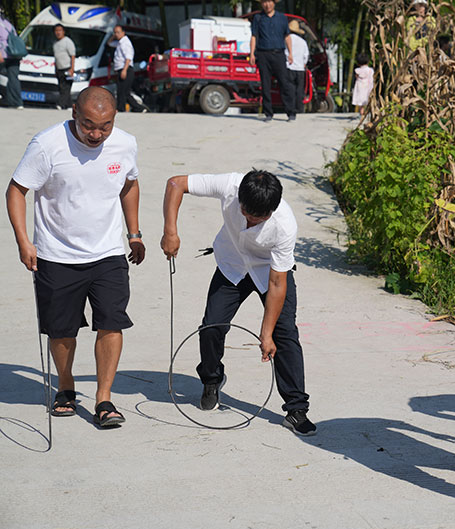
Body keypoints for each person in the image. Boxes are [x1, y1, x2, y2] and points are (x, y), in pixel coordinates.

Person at [5, 87, 145, 428]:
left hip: (108, 251)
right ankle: (66, 387)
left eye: (105, 126)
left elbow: (129, 184)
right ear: (74, 114)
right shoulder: (47, 145)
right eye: (88, 125)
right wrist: (24, 242)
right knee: (62, 330)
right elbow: (16, 190)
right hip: (56, 254)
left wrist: (135, 232)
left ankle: (104, 399)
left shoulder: (125, 143)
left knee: (112, 321)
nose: (96, 134)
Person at [160, 170, 316, 436]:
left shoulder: (284, 225)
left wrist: (265, 334)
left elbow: (278, 284)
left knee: (284, 334)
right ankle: (212, 379)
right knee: (211, 327)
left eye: (260, 218)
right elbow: (176, 183)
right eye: (246, 213)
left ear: (273, 209)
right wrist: (170, 231)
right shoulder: (230, 185)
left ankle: (296, 410)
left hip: (270, 271)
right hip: (232, 265)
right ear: (239, 199)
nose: (251, 220)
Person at [248, 0, 295, 122]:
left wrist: (290, 53)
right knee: (265, 84)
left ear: (274, 3)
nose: (267, 5)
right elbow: (254, 36)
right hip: (263, 54)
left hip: (279, 53)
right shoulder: (258, 18)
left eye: (269, 2)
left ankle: (290, 112)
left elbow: (287, 36)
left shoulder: (282, 18)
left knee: (284, 83)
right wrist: (252, 53)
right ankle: (268, 113)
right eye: (264, 2)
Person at [107, 25, 144, 112]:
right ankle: (135, 108)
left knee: (123, 91)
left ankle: (125, 108)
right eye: (115, 32)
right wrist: (113, 36)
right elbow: (109, 43)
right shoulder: (119, 42)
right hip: (121, 69)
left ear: (123, 32)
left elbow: (128, 58)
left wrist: (124, 70)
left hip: (126, 69)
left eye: (118, 32)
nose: (116, 34)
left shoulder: (125, 43)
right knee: (122, 91)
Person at [285, 19, 308, 116]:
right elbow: (306, 55)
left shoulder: (286, 40)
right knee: (299, 89)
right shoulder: (303, 42)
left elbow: (284, 53)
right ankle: (299, 108)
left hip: (289, 67)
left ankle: (290, 108)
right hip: (300, 69)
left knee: (290, 89)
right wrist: (303, 64)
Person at [0, 8, 23, 109]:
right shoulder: (8, 23)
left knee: (10, 79)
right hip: (14, 54)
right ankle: (16, 102)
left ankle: (9, 100)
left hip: (4, 54)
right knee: (13, 79)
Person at [53, 24, 76, 109]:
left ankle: (60, 104)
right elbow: (56, 57)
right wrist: (55, 69)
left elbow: (73, 56)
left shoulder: (67, 41)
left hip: (67, 68)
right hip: (59, 68)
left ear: (63, 31)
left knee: (66, 88)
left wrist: (72, 69)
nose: (58, 32)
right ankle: (69, 105)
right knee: (62, 88)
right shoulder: (55, 43)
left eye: (60, 30)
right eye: (56, 31)